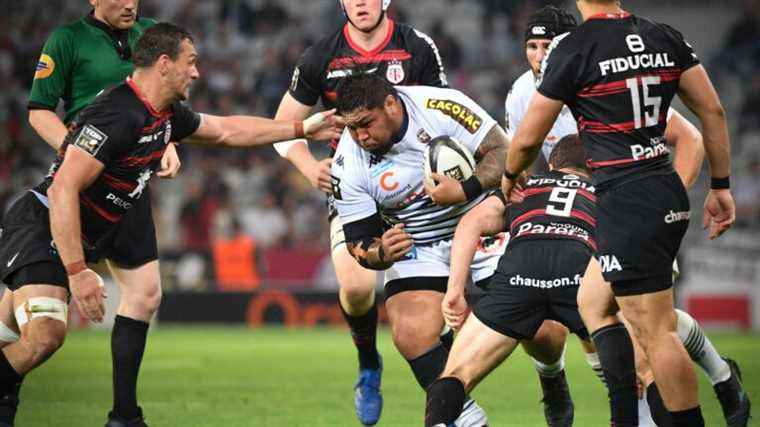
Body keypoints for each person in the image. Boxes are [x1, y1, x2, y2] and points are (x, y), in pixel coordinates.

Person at [0, 22, 340, 427]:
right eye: (191, 63)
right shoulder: (117, 114)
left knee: (15, 338)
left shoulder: (164, 114)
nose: (197, 73)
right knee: (45, 336)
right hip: (42, 224)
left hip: (73, 231)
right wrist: (78, 272)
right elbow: (62, 190)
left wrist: (302, 127)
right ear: (164, 64)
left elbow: (226, 130)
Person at [504, 6, 750, 426]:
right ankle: (652, 408)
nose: (541, 53)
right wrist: (719, 185)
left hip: (625, 199)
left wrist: (510, 175)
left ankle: (692, 408)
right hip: (653, 193)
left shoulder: (578, 51)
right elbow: (713, 111)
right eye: (533, 46)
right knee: (594, 302)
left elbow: (526, 139)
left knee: (654, 331)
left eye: (546, 45)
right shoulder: (662, 35)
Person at [271, 1, 447, 424]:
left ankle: (450, 383)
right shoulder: (319, 57)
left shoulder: (416, 47)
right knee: (354, 287)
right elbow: (282, 127)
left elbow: (444, 112)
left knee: (437, 301)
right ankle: (369, 364)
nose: (362, 2)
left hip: (419, 189)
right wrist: (309, 166)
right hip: (356, 189)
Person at [24, 2, 180, 425]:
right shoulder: (67, 40)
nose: (130, 3)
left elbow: (165, 105)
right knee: (30, 321)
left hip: (129, 186)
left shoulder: (152, 34)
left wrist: (166, 144)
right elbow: (40, 110)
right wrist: (76, 157)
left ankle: (124, 416)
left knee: (146, 293)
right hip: (79, 189)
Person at [331, 72, 510, 426]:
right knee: (410, 334)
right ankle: (466, 418)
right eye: (351, 128)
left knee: (542, 329)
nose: (360, 136)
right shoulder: (347, 162)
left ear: (391, 105)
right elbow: (359, 243)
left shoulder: (441, 106)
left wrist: (464, 189)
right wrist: (381, 252)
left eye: (366, 124)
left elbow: (503, 150)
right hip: (418, 242)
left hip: (478, 222)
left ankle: (553, 381)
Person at [425, 135, 595, 427]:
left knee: (452, 379)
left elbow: (471, 222)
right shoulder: (607, 189)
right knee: (638, 375)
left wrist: (454, 290)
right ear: (596, 166)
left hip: (519, 276)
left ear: (552, 163)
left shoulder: (523, 187)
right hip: (578, 278)